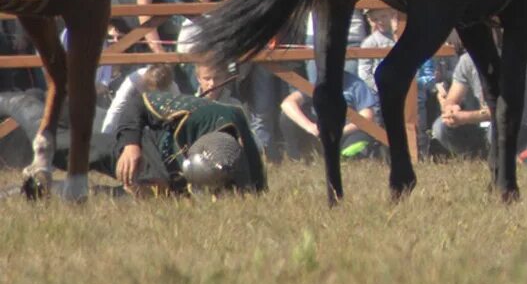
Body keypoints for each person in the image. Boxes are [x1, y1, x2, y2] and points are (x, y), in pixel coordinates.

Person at [113, 87, 267, 194]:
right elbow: (138, 102)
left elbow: (256, 190)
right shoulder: (191, 111)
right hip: (146, 144)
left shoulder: (243, 160)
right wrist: (131, 145)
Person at [279, 71, 379, 159]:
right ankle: (298, 158)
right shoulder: (314, 84)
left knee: (357, 148)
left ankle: (343, 159)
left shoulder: (356, 84)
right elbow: (287, 104)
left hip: (347, 132)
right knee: (287, 117)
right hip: (318, 132)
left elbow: (367, 116)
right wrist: (309, 127)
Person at [431, 49, 492, 159]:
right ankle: (471, 154)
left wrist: (465, 117)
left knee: (497, 128)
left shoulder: (507, 58)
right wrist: (450, 109)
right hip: (478, 120)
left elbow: (502, 112)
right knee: (440, 127)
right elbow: (452, 99)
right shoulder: (467, 60)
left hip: (515, 123)